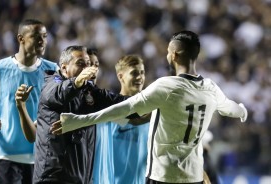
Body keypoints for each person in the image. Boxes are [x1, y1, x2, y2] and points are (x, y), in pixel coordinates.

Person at [52, 31, 248, 184]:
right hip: (193, 175)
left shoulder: (167, 87)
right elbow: (231, 108)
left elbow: (125, 107)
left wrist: (77, 121)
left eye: (168, 51)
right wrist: (242, 111)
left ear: (175, 55)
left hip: (163, 175)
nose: (166, 54)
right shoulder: (211, 88)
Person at [16, 45, 133, 184]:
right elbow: (58, 94)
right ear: (64, 68)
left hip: (79, 178)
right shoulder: (51, 84)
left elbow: (120, 103)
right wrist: (76, 82)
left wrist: (149, 101)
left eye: (89, 64)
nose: (87, 68)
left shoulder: (89, 92)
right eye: (80, 64)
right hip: (52, 178)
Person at [0, 19, 58, 184]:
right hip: (5, 155)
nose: (42, 41)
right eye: (36, 36)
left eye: (45, 36)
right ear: (21, 39)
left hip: (41, 156)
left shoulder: (53, 70)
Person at [93, 55, 149, 184]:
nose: (140, 77)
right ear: (120, 76)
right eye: (134, 73)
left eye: (142, 73)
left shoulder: (149, 113)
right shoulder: (110, 111)